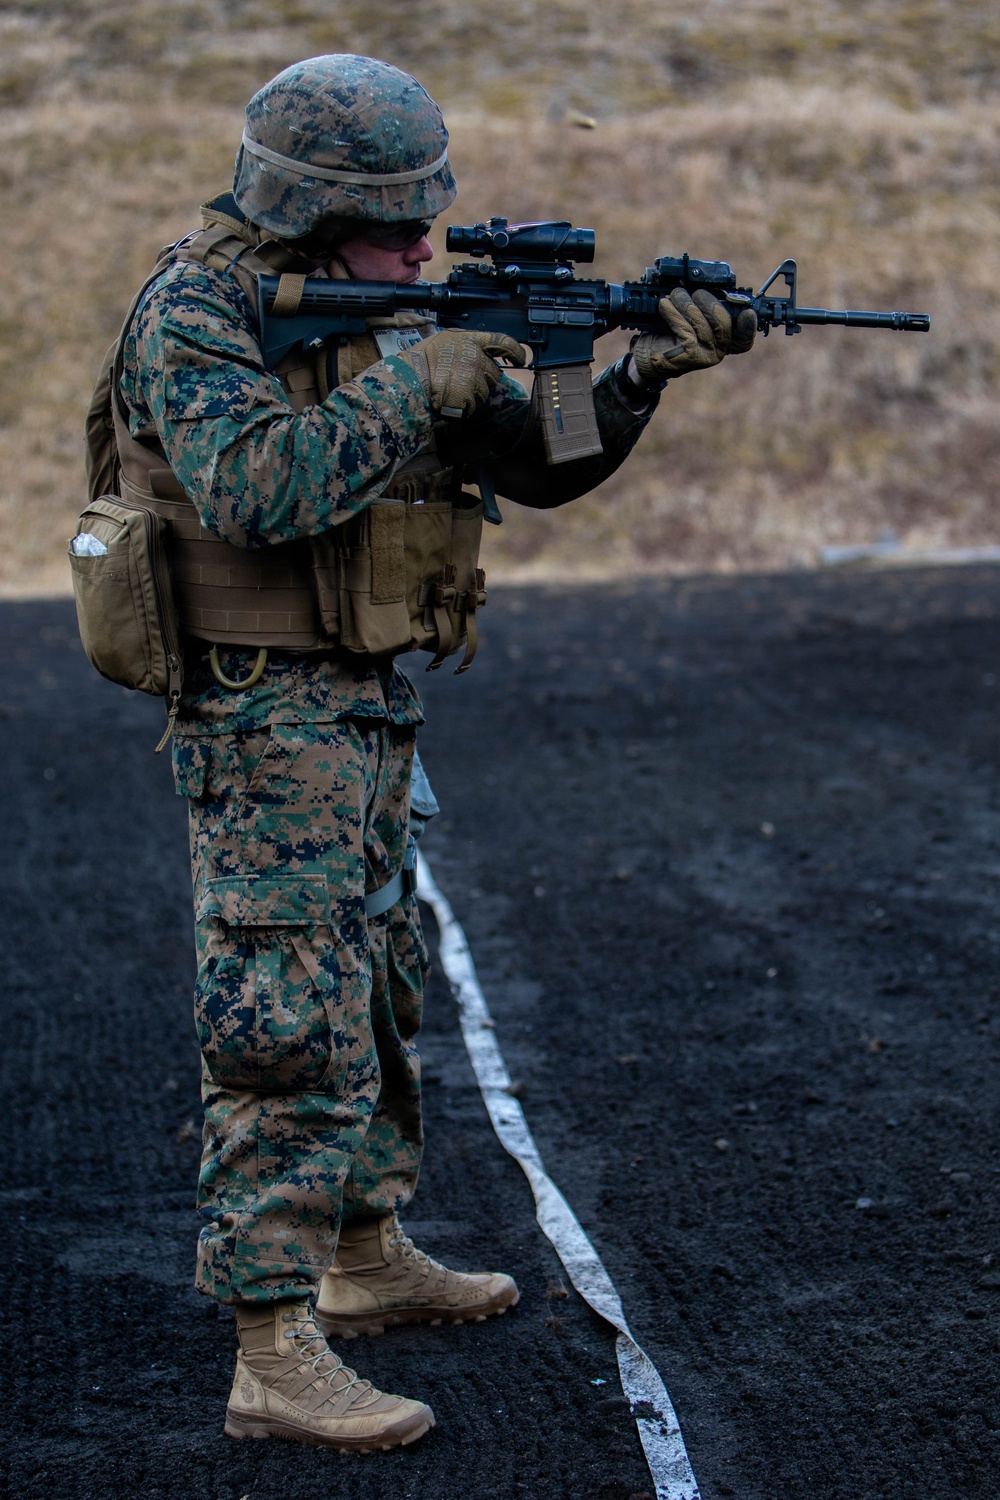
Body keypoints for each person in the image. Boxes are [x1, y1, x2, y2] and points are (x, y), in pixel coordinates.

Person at [111, 52, 755, 1453]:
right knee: (285, 1010)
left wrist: (635, 369)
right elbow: (254, 489)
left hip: (363, 697)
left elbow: (539, 459)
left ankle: (362, 1250)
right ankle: (272, 1347)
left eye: (426, 214)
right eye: (395, 221)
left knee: (384, 981)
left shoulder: (398, 304)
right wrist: (418, 388)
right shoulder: (200, 309)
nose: (425, 244)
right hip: (260, 703)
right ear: (304, 210)